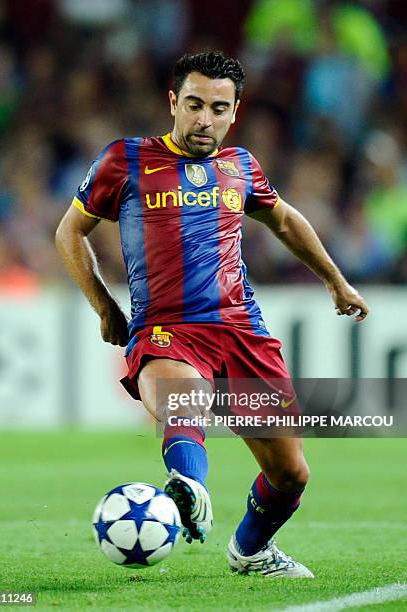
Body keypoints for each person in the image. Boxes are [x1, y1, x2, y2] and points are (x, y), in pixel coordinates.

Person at [56, 51, 368, 577]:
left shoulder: (240, 166)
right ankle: (190, 485)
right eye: (195, 104)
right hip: (167, 329)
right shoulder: (125, 160)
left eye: (218, 108)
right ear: (173, 102)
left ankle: (250, 550)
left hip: (242, 331)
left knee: (290, 474)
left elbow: (286, 221)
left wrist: (336, 281)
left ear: (234, 111)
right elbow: (69, 231)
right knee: (186, 406)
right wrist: (104, 306)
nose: (205, 119)